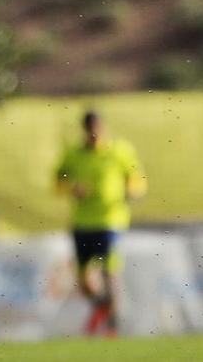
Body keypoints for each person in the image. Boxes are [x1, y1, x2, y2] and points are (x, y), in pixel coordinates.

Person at [55, 111, 147, 336]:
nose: (94, 134)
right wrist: (72, 188)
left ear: (102, 127)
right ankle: (103, 307)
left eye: (97, 129)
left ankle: (112, 328)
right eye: (90, 131)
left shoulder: (119, 151)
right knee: (83, 280)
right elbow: (59, 180)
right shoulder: (74, 154)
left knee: (109, 272)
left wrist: (133, 189)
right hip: (83, 222)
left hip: (110, 221)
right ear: (85, 130)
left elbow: (136, 177)